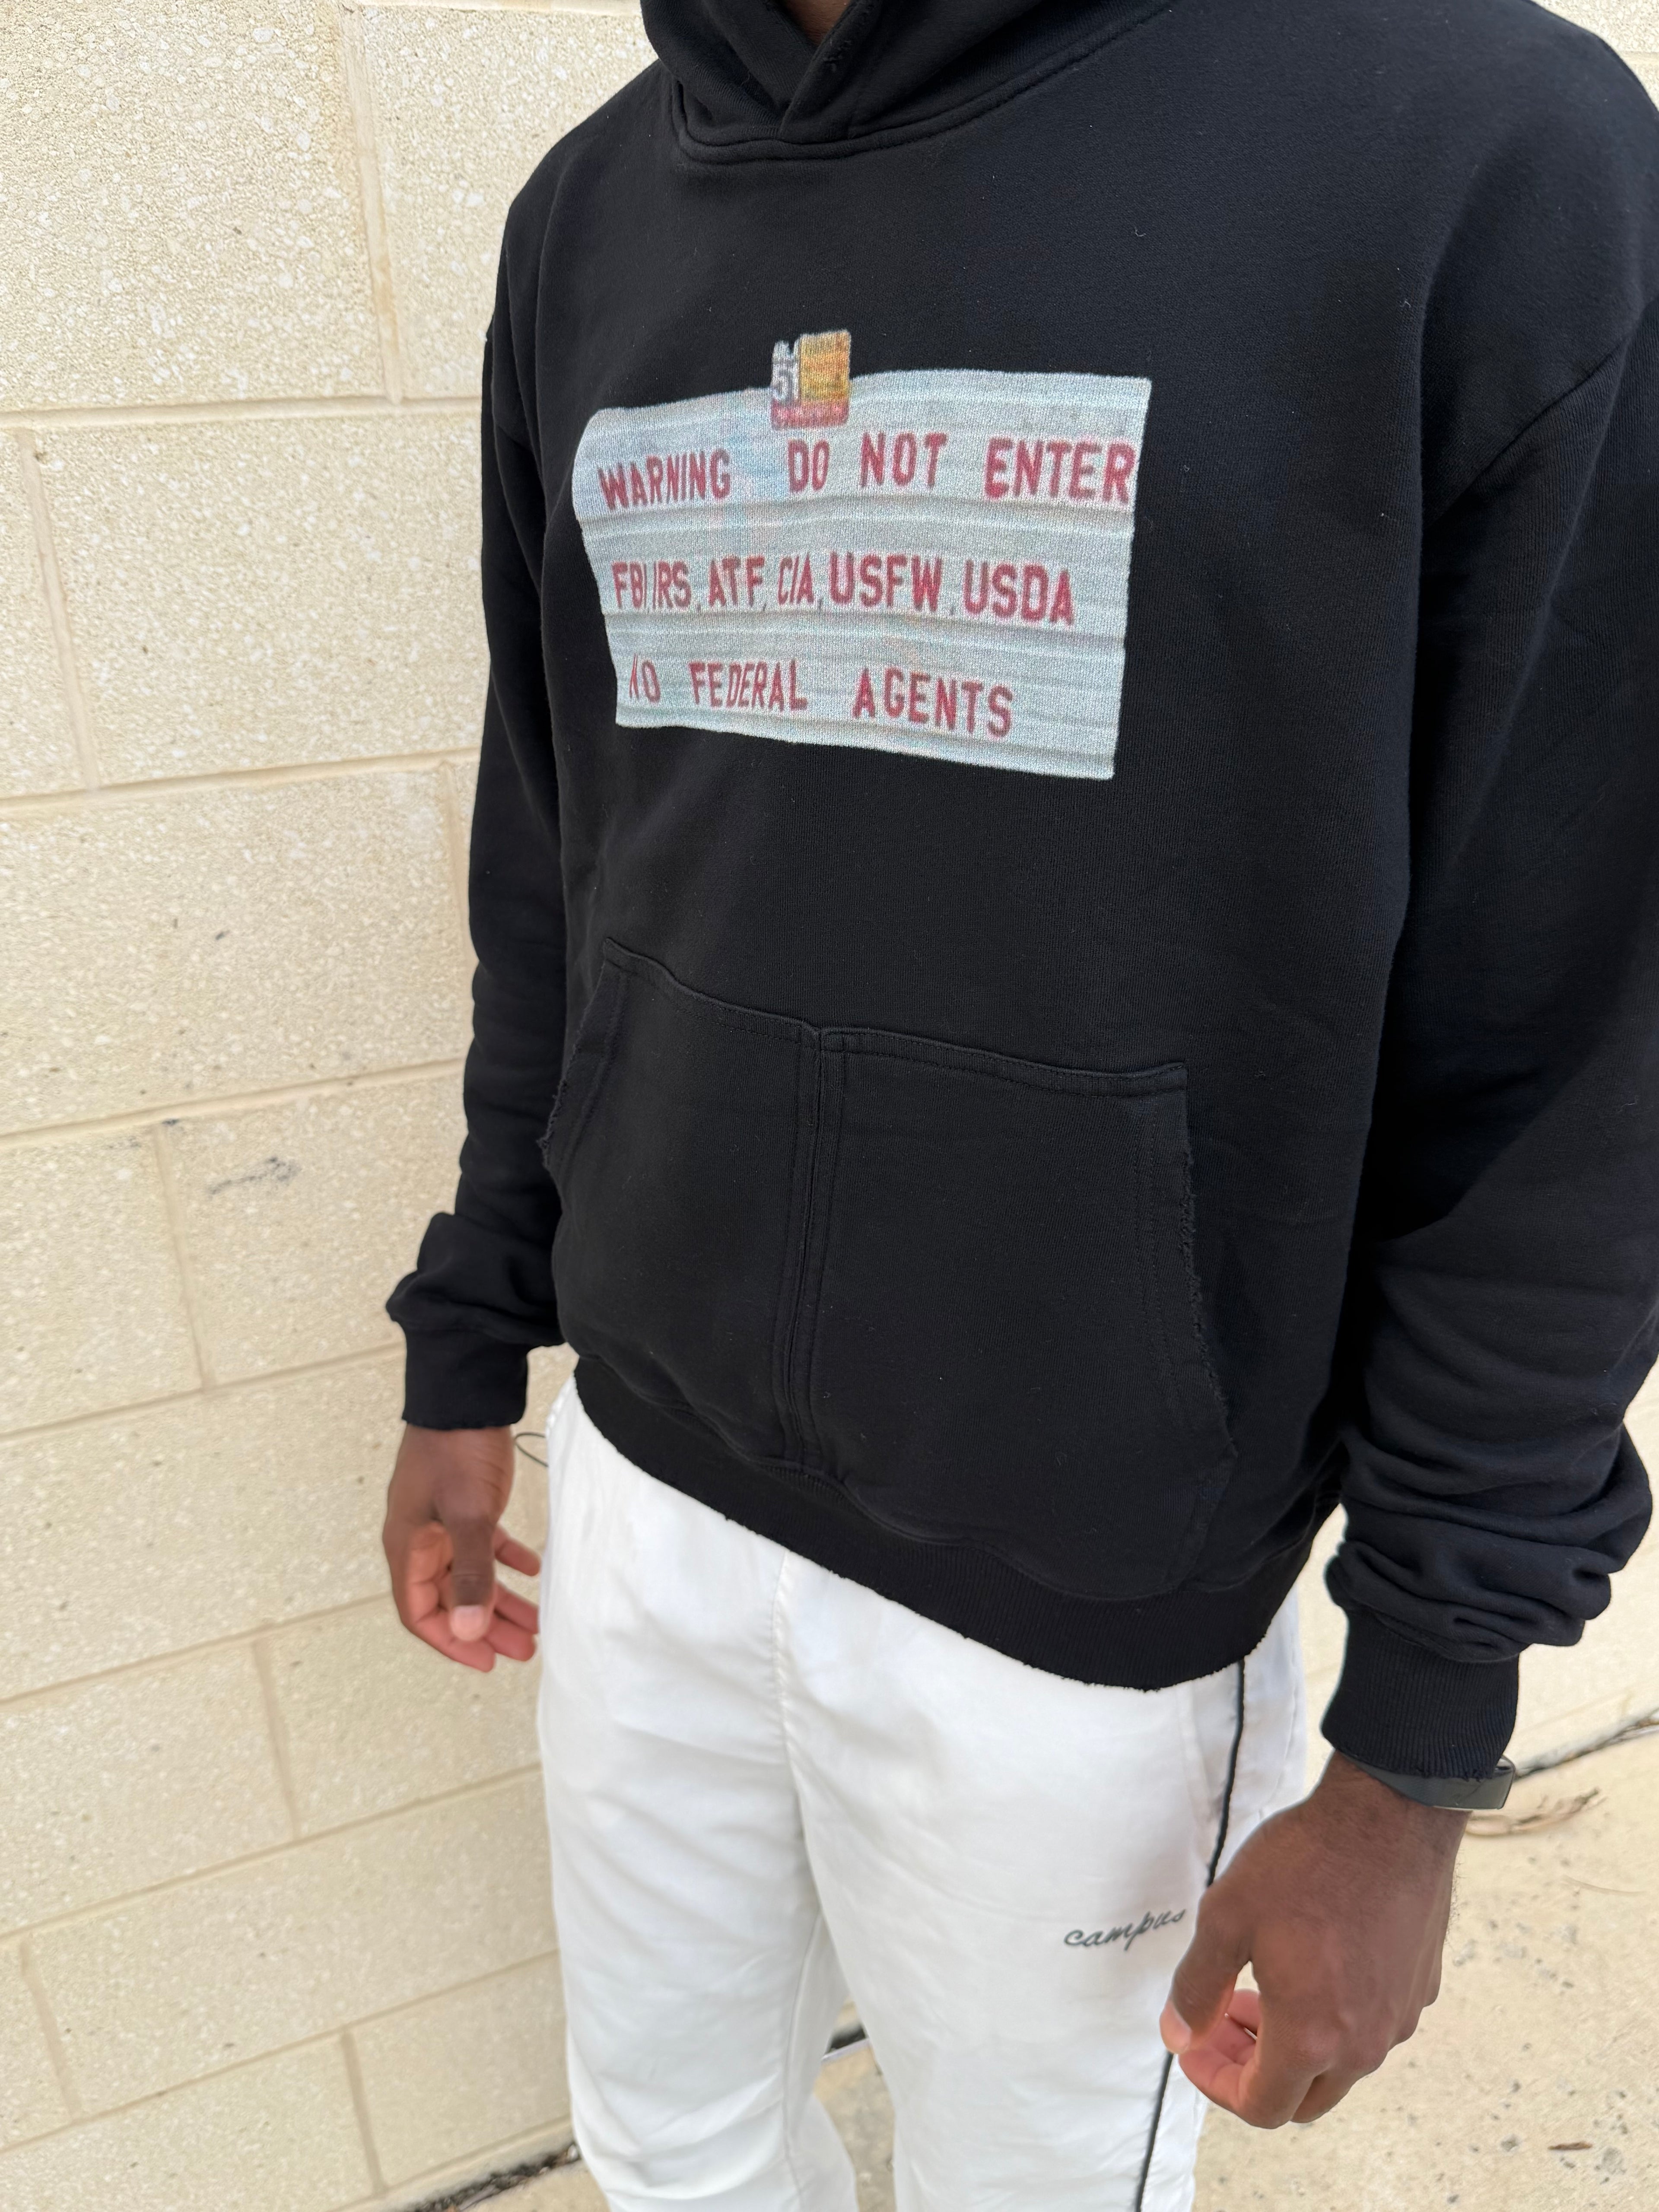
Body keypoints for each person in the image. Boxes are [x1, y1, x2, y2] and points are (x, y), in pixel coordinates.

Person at [383, 0, 1659, 2203]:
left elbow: (1573, 1050)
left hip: (1085, 1613)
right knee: (667, 2142)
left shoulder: (1479, 158)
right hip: (649, 1485)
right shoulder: (591, 217)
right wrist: (476, 1323)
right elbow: (567, 858)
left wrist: (1419, 1742)